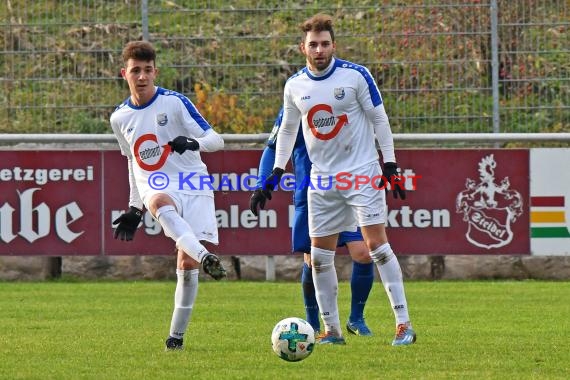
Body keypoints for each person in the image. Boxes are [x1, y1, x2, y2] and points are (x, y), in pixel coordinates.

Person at [261, 14, 416, 346]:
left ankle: (403, 325)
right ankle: (332, 331)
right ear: (303, 47)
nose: (319, 50)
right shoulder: (295, 86)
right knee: (319, 257)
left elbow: (379, 118)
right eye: (313, 45)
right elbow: (288, 130)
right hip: (322, 182)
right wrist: (276, 171)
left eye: (325, 44)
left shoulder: (356, 76)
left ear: (334, 45)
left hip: (362, 173)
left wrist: (389, 164)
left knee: (376, 246)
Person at [110, 40, 227, 351]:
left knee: (185, 266)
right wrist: (135, 208)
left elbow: (217, 141)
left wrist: (192, 144)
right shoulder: (119, 118)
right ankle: (207, 257)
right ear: (125, 73)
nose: (142, 77)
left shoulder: (175, 103)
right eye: (135, 71)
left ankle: (175, 338)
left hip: (192, 181)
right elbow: (133, 163)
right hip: (156, 183)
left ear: (155, 71)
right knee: (159, 203)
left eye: (147, 70)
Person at [250, 107, 375, 338]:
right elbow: (273, 148)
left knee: (364, 253)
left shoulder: (346, 100)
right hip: (311, 194)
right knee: (313, 259)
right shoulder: (297, 103)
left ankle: (356, 319)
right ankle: (313, 323)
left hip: (347, 190)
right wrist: (262, 183)